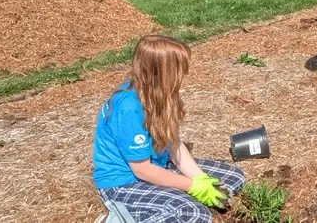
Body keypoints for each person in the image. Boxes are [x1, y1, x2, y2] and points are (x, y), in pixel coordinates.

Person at [91, 35, 246, 222]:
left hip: (158, 165)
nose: (184, 74)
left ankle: (172, 200)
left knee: (233, 177)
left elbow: (174, 144)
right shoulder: (129, 108)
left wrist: (201, 179)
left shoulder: (161, 94)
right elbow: (143, 170)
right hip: (124, 182)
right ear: (161, 72)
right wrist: (192, 187)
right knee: (195, 214)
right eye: (179, 69)